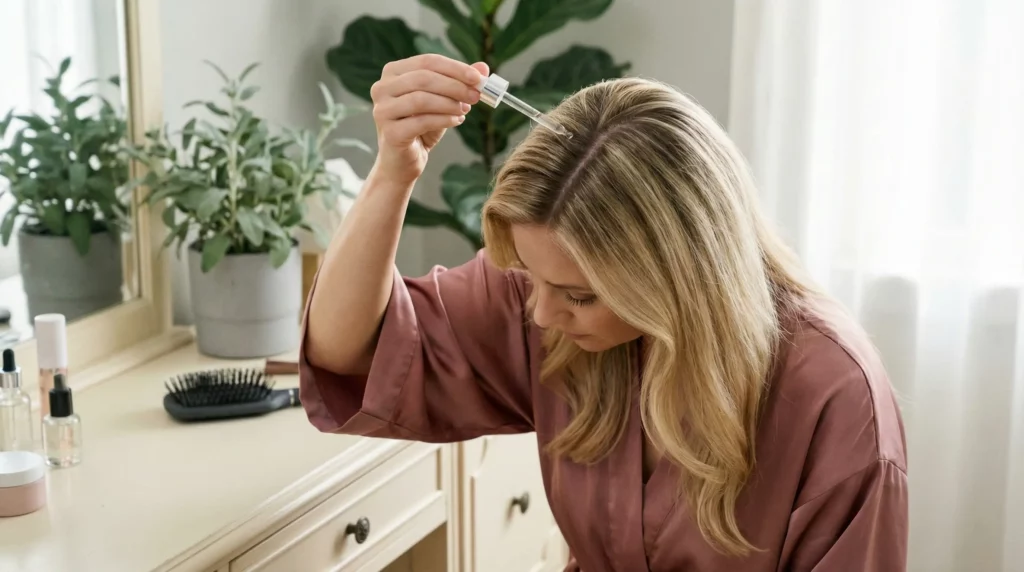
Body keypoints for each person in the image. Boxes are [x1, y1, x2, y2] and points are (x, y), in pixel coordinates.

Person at [299, 54, 909, 571]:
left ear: (675, 277)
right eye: (534, 281)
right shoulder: (549, 295)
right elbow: (348, 350)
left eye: (579, 296)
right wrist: (392, 172)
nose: (539, 315)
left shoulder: (835, 399)